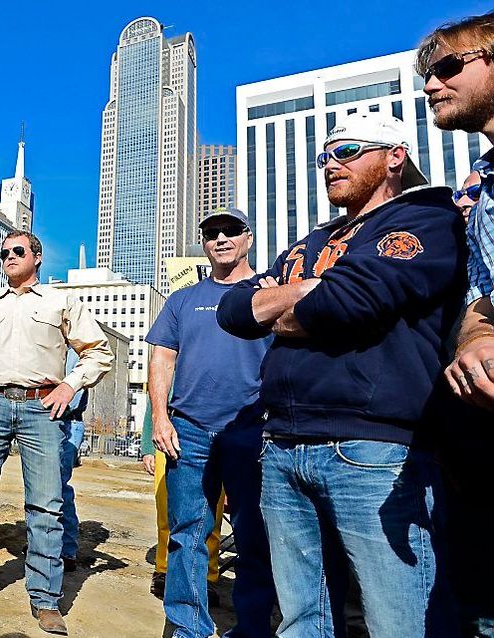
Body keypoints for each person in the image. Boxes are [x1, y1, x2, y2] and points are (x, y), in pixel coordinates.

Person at [217, 112, 464, 637]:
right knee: (302, 620)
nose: (330, 164)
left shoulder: (425, 219)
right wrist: (310, 290)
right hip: (282, 444)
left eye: (347, 151)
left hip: (374, 448)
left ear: (394, 156)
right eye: (325, 155)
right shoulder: (312, 241)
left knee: (398, 620)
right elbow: (232, 311)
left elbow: (351, 302)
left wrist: (291, 301)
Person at [0, 230, 113, 636]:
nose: (8, 257)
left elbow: (99, 351)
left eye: (17, 251)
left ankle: (46, 600)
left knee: (47, 505)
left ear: (37, 257)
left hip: (42, 407)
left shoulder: (60, 301)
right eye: (4, 252)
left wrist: (70, 385)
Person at [145, 208, 275, 638]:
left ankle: (253, 626)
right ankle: (188, 628)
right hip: (190, 431)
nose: (220, 238)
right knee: (188, 534)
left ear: (248, 238)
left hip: (251, 429)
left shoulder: (270, 290)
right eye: (210, 233)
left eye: (230, 231)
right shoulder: (183, 299)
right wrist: (160, 418)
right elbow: (162, 357)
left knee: (256, 536)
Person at [418, 14, 494, 635]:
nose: (431, 86)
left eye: (448, 68)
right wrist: (478, 334)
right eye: (427, 75)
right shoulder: (478, 184)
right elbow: (480, 291)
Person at [140, 402, 225, 606]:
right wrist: (147, 448)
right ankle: (164, 570)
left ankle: (208, 576)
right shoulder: (171, 368)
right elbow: (155, 402)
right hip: (169, 434)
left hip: (217, 431)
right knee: (167, 510)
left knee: (214, 511)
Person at [59, 349, 88, 574]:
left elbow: (72, 398)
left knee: (59, 486)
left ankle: (67, 549)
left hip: (67, 423)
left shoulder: (76, 353)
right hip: (57, 421)